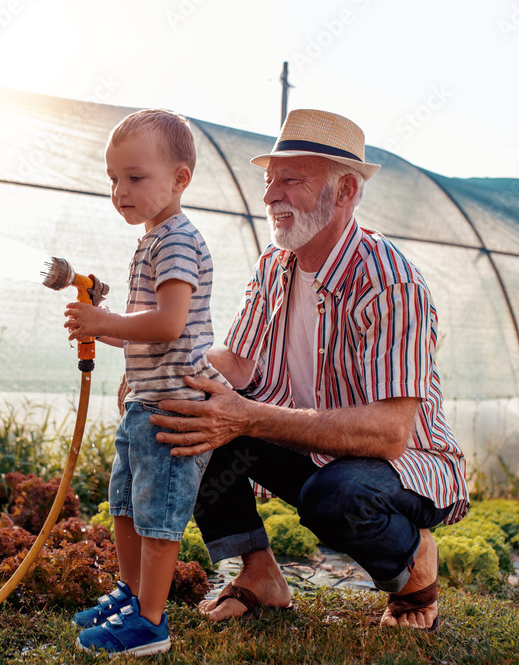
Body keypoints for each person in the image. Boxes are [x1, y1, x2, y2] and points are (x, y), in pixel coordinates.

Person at [148, 109, 470, 632]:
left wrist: (246, 417)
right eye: (269, 179)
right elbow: (236, 362)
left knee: (337, 497)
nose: (272, 194)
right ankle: (261, 576)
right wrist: (160, 372)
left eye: (291, 180)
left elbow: (389, 434)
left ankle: (415, 576)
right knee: (187, 410)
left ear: (345, 191)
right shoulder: (275, 265)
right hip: (309, 443)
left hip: (401, 465)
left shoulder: (390, 283)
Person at [62, 108, 230, 656]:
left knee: (156, 517)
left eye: (135, 178)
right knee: (126, 506)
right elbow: (145, 331)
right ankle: (131, 596)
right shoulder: (152, 240)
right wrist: (102, 324)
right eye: (114, 179)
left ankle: (150, 624)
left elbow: (168, 324)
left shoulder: (176, 241)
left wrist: (105, 322)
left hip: (174, 409)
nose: (120, 191)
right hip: (147, 402)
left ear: (180, 178)